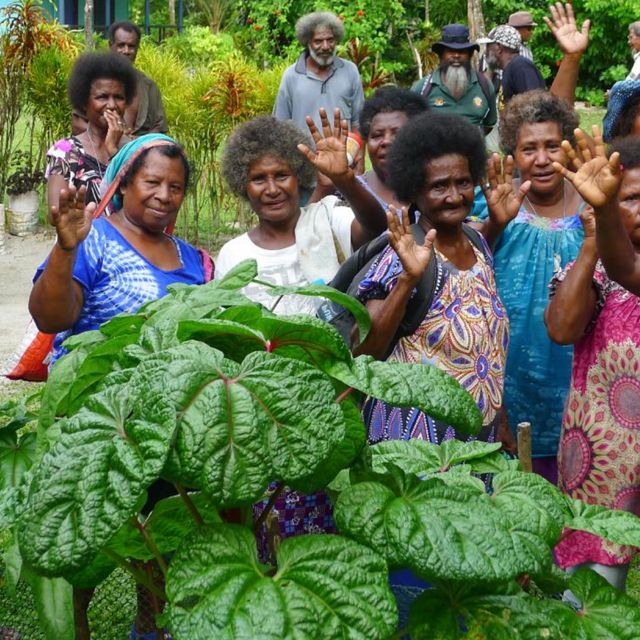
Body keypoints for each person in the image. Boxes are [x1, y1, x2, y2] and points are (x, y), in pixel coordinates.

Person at [351, 111, 524, 623]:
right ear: (413, 190)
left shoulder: (477, 242)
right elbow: (366, 355)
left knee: (466, 571)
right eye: (438, 187)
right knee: (419, 573)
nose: (453, 195)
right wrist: (407, 280)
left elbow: (485, 345)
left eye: (462, 182)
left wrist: (503, 419)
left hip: (474, 441)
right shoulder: (402, 255)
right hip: (416, 446)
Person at [217, 109, 386, 558]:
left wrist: (348, 180)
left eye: (283, 175)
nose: (272, 188)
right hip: (270, 406)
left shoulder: (326, 217)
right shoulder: (233, 254)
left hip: (338, 394)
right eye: (258, 179)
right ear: (243, 185)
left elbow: (377, 229)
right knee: (278, 517)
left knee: (337, 512)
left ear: (301, 177)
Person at [469, 90, 585, 484]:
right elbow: (473, 265)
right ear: (512, 155)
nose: (541, 160)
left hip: (580, 376)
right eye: (528, 149)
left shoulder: (593, 206)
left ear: (567, 146)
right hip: (512, 378)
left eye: (552, 146)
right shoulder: (497, 206)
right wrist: (497, 222)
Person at [546, 132, 640, 591]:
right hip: (606, 451)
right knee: (597, 581)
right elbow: (562, 329)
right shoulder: (595, 268)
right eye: (632, 199)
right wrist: (592, 242)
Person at [31, 135, 208, 365]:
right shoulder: (93, 240)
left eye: (175, 187)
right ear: (124, 184)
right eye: (152, 183)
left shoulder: (193, 258)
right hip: (96, 394)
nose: (164, 196)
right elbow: (49, 320)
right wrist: (65, 250)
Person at [47, 52, 136, 211]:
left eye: (118, 97)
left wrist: (114, 151)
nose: (111, 105)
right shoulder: (64, 152)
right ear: (84, 102)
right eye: (102, 97)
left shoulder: (136, 151)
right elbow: (55, 213)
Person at [273, 11, 365, 134]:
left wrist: (354, 152)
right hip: (302, 153)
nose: (326, 46)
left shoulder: (350, 71)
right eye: (318, 41)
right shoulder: (291, 76)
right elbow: (280, 126)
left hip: (342, 153)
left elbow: (358, 122)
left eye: (330, 40)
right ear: (307, 42)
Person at [72, 21, 169, 137]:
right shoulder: (94, 81)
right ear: (110, 45)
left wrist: (135, 145)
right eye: (121, 45)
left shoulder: (148, 86)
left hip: (139, 152)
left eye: (131, 46)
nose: (126, 51)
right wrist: (113, 140)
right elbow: (77, 123)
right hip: (98, 152)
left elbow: (160, 127)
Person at [485, 2, 590, 106]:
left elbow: (538, 108)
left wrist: (571, 57)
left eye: (488, 46)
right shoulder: (510, 67)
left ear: (498, 48)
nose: (486, 51)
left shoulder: (520, 66)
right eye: (529, 28)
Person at [351, 86, 427, 211]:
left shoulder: (435, 187)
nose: (386, 141)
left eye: (397, 133)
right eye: (377, 135)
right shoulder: (349, 193)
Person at [411, 24, 497, 134]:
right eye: (450, 51)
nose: (456, 55)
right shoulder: (422, 88)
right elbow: (410, 125)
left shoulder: (484, 86)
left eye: (462, 51)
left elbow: (489, 123)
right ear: (441, 54)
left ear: (470, 54)